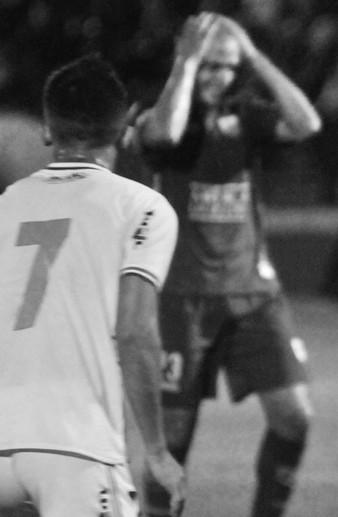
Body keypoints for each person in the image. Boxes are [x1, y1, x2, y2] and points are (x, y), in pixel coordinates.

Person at [135, 12, 321, 517]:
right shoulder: (160, 111)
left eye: (226, 66)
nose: (218, 76)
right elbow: (165, 135)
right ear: (186, 56)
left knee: (294, 417)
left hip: (252, 294)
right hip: (180, 298)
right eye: (209, 64)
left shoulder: (250, 115)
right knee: (170, 437)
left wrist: (255, 56)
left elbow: (308, 122)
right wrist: (188, 64)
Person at [0, 55, 185, 516]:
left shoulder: (8, 204)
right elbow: (136, 332)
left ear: (47, 128)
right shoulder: (142, 207)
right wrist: (158, 452)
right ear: (124, 131)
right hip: (75, 449)